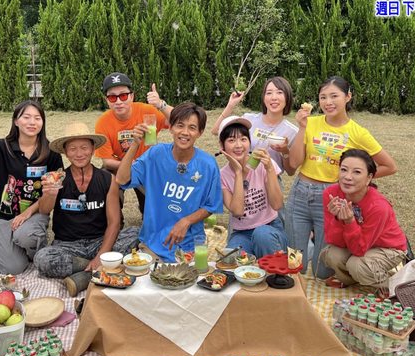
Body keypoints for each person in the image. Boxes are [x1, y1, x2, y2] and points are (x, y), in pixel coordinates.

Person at [285, 76, 397, 280]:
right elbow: (293, 163)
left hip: (332, 197)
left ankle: (317, 251)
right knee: (295, 264)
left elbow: (389, 166)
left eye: (334, 96)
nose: (328, 102)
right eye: (323, 97)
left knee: (322, 272)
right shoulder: (310, 123)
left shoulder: (358, 133)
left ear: (348, 97)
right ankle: (305, 252)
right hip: (300, 192)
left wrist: (351, 180)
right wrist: (301, 128)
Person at [33, 122, 139, 296]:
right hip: (68, 245)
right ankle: (94, 268)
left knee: (136, 233)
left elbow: (114, 222)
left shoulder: (107, 179)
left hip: (99, 241)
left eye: (84, 147)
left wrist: (102, 253)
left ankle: (85, 275)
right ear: (65, 152)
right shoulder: (57, 178)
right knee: (42, 258)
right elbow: (44, 210)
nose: (79, 154)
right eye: (73, 149)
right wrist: (50, 193)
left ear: (93, 149)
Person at [115, 102, 223, 262]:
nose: (185, 132)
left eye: (192, 128)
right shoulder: (155, 154)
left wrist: (186, 221)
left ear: (200, 133)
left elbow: (211, 205)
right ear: (171, 127)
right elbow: (121, 179)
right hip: (153, 245)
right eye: (180, 125)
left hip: (189, 248)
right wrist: (134, 145)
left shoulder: (208, 165)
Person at [0, 89, 63, 274]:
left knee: (25, 236)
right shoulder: (4, 146)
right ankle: (15, 249)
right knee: (12, 268)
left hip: (34, 214)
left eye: (37, 118)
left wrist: (27, 212)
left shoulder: (51, 152)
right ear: (16, 121)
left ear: (43, 122)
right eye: (26, 117)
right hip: (3, 216)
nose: (32, 122)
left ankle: (34, 248)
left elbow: (52, 191)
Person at [321, 149, 407, 295]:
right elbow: (333, 240)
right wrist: (337, 219)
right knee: (331, 254)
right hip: (360, 244)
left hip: (388, 247)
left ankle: (389, 287)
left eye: (356, 172)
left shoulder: (378, 206)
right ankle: (352, 280)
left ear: (369, 178)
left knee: (357, 265)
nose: (347, 177)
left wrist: (349, 222)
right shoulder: (331, 194)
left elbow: (358, 250)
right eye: (344, 170)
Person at [95, 73, 171, 216]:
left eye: (123, 96)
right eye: (112, 97)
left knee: (154, 209)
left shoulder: (147, 111)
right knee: (103, 179)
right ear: (107, 100)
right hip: (118, 166)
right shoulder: (103, 123)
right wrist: (131, 164)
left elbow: (178, 120)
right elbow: (107, 161)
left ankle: (147, 208)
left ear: (132, 96)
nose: (118, 101)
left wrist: (161, 104)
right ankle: (114, 218)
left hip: (147, 166)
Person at [218, 116, 287, 257]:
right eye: (231, 140)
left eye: (243, 139)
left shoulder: (264, 164)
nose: (238, 145)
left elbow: (277, 204)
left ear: (249, 142)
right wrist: (238, 173)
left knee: (262, 234)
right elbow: (237, 211)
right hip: (242, 233)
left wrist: (269, 169)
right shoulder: (222, 175)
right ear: (222, 145)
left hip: (270, 227)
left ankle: (275, 270)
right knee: (231, 258)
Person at [211, 76, 298, 178]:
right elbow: (216, 130)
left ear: (287, 97)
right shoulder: (248, 119)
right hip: (241, 176)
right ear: (264, 98)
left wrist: (285, 151)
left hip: (270, 180)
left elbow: (291, 172)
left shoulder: (292, 131)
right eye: (269, 93)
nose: (274, 97)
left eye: (279, 92)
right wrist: (231, 105)